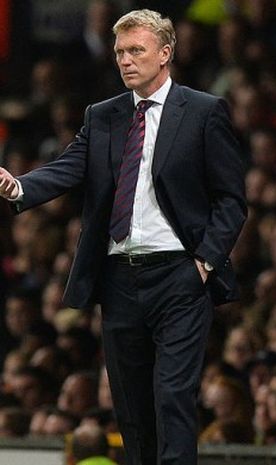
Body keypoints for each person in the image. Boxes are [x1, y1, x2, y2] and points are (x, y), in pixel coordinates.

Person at [0, 9, 246, 465]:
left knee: (172, 394)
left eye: (137, 50)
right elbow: (69, 167)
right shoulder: (104, 116)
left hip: (180, 275)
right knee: (131, 406)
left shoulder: (204, 112)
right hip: (119, 280)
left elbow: (231, 200)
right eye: (120, 52)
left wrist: (205, 262)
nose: (126, 61)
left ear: (165, 53)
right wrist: (19, 186)